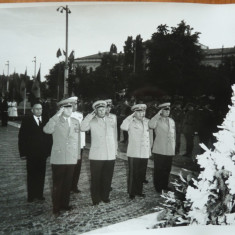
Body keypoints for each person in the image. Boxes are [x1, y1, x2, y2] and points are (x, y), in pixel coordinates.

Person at [43, 98, 81, 216]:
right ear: (61, 109)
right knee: (57, 184)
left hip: (71, 157)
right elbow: (47, 130)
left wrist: (77, 155)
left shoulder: (75, 121)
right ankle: (56, 207)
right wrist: (56, 116)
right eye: (66, 108)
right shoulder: (55, 120)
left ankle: (65, 204)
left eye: (70, 107)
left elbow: (77, 139)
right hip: (59, 157)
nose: (70, 110)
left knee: (67, 183)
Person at [81, 100, 117, 205]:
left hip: (110, 154)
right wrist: (88, 116)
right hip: (97, 154)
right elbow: (82, 128)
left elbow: (115, 136)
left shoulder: (111, 120)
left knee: (107, 177)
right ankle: (96, 198)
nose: (102, 111)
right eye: (99, 110)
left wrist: (115, 150)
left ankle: (105, 196)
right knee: (96, 178)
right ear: (95, 111)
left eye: (103, 109)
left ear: (106, 109)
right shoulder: (92, 121)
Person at [18, 99, 52, 203]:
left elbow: (49, 137)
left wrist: (49, 151)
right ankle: (31, 195)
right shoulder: (27, 120)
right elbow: (22, 137)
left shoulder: (46, 119)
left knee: (41, 174)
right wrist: (23, 153)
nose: (39, 111)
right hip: (31, 153)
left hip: (42, 153)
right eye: (36, 109)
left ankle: (39, 194)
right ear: (32, 110)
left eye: (40, 109)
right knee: (31, 174)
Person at [121, 104, 152, 200]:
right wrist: (131, 116)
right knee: (133, 173)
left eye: (143, 111)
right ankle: (132, 192)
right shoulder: (130, 122)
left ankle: (139, 191)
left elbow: (150, 137)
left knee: (141, 173)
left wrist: (149, 150)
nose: (142, 113)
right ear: (134, 113)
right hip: (134, 152)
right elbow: (123, 126)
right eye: (139, 112)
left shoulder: (147, 121)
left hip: (144, 152)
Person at [149, 102, 176, 194]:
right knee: (158, 169)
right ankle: (158, 187)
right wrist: (157, 115)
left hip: (169, 149)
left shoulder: (172, 121)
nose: (168, 112)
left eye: (168, 110)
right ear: (161, 111)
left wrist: (173, 148)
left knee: (167, 169)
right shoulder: (157, 120)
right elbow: (151, 125)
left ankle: (165, 186)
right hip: (160, 149)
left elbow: (174, 135)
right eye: (165, 110)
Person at [69, 96, 86, 193]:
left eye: (76, 103)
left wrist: (82, 144)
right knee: (70, 166)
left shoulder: (80, 115)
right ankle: (68, 185)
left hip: (80, 145)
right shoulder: (65, 115)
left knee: (78, 166)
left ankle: (74, 186)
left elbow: (82, 130)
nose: (76, 105)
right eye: (74, 104)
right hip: (71, 145)